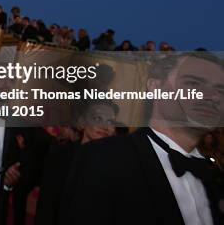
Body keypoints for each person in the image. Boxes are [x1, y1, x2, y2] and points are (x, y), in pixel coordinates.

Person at [60, 52, 224, 224]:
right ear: (155, 86)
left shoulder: (211, 174)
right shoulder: (103, 157)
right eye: (193, 83)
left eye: (220, 90)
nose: (213, 97)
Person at [35, 100, 118, 225]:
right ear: (81, 123)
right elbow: (46, 206)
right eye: (97, 118)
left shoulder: (116, 165)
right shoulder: (61, 157)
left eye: (110, 121)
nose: (104, 126)